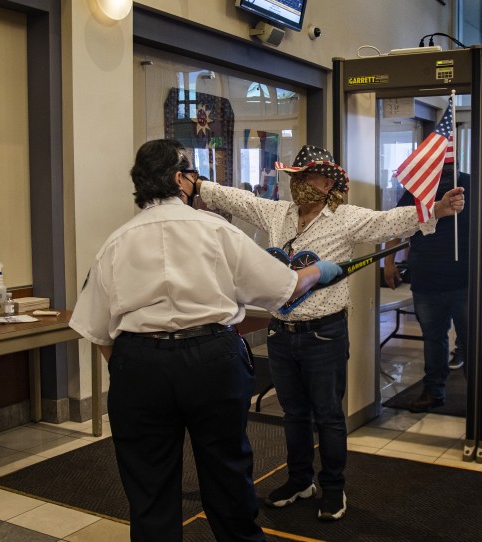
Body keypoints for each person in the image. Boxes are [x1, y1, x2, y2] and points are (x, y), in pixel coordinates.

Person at [68, 139, 342, 542]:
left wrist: (135, 366)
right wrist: (319, 271)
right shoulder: (215, 229)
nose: (196, 183)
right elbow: (283, 288)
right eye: (193, 175)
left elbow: (96, 328)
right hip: (211, 360)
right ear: (180, 178)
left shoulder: (116, 241)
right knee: (227, 473)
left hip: (138, 364)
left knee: (149, 483)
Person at [195, 145, 465, 521]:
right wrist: (198, 185)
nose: (299, 183)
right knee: (294, 415)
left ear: (328, 183)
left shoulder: (346, 218)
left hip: (325, 335)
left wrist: (436, 208)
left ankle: (333, 489)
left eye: (306, 176)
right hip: (282, 333)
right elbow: (238, 200)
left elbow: (391, 221)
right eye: (295, 176)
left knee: (328, 417)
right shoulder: (277, 213)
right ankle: (300, 480)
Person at [383, 162, 470, 412]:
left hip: (464, 279)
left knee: (471, 341)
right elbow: (398, 224)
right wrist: (389, 262)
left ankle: (479, 396)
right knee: (433, 340)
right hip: (425, 279)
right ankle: (434, 391)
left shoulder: (471, 185)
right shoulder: (417, 188)